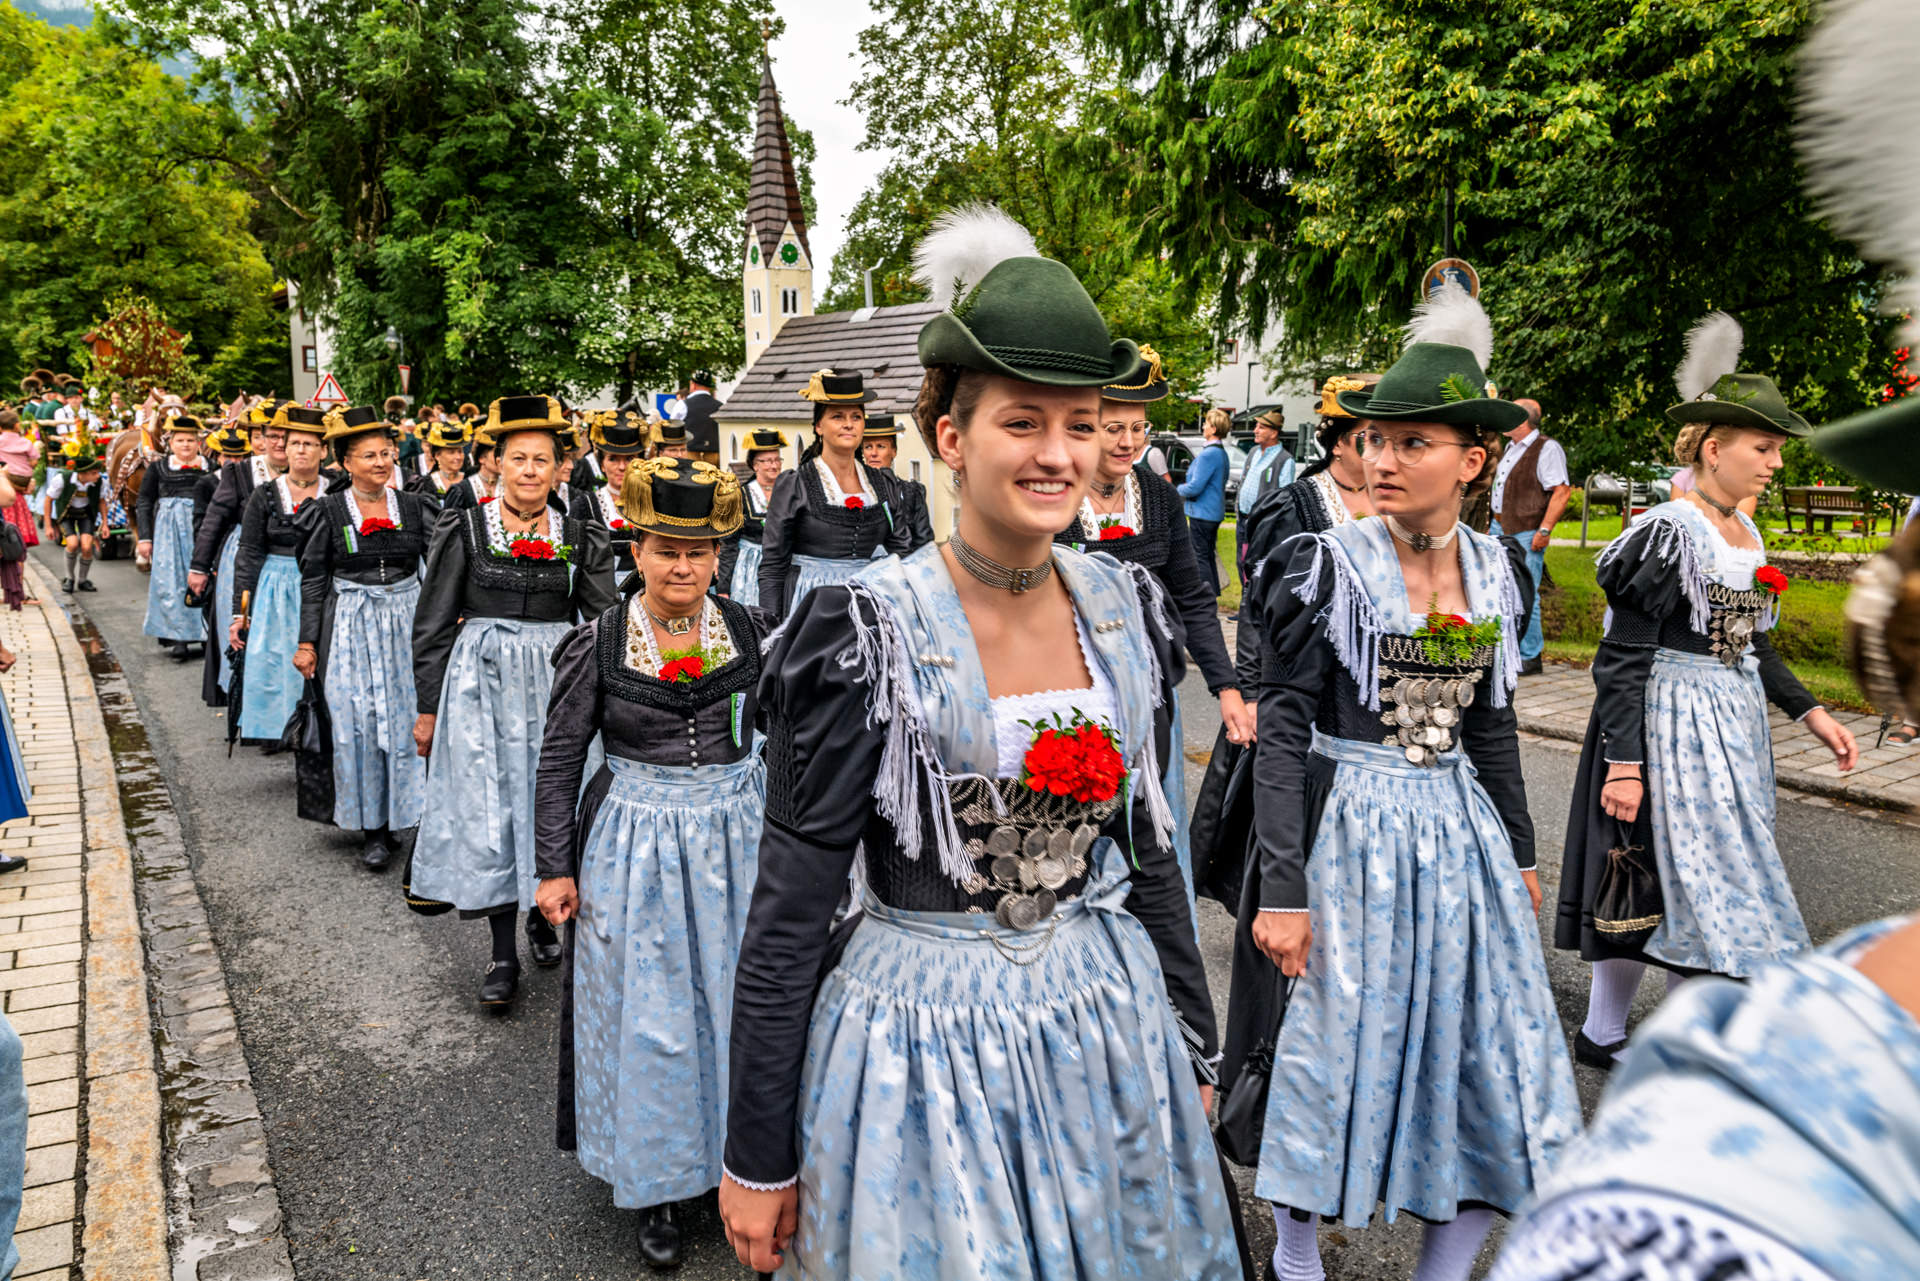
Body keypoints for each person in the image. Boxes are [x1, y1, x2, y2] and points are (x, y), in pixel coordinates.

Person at [720, 206, 1237, 1280]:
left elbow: (1149, 856)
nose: (1058, 453)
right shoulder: (864, 632)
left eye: (1082, 423)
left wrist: (1193, 1037)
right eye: (1023, 421)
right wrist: (756, 1157)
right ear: (950, 439)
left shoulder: (1125, 610)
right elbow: (789, 910)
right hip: (921, 1045)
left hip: (1103, 1024)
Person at [1240, 285, 1580, 1281]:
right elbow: (1283, 731)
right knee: (1335, 1047)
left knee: (1484, 1055)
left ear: (1473, 462)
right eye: (1376, 440)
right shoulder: (1322, 564)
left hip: (1458, 832)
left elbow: (1493, 724)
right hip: (1350, 828)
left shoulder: (1496, 568)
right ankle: (1297, 1256)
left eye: (1411, 443)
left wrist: (1521, 851)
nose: (1382, 459)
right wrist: (1284, 887)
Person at [1558, 312, 1859, 1070]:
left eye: (1779, 449)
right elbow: (1620, 657)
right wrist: (1625, 764)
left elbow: (1753, 641)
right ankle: (1616, 1032)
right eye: (1764, 447)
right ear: (1715, 449)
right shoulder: (1668, 533)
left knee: (1710, 879)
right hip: (1666, 721)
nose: (1775, 462)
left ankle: (1670, 1035)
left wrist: (1812, 713)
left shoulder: (1745, 535)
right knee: (1651, 875)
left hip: (1730, 722)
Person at [535, 459, 766, 1272]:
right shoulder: (600, 641)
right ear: (637, 551)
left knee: (738, 1000)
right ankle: (660, 1183)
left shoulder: (750, 629)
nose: (683, 567)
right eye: (667, 549)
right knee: (653, 1013)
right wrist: (554, 866)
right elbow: (560, 757)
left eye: (698, 551)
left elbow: (790, 736)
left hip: (738, 839)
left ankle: (742, 1161)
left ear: (717, 557)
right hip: (635, 842)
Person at [408, 396, 617, 1012]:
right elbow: (433, 624)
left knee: (556, 799)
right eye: (518, 458)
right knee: (491, 810)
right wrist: (428, 708)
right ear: (497, 463)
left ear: (559, 469)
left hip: (558, 684)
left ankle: (541, 917)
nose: (529, 470)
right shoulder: (464, 528)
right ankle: (502, 954)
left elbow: (603, 618)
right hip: (482, 686)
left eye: (541, 460)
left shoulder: (579, 534)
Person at [1054, 344, 1254, 904]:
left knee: (1148, 830)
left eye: (1138, 428)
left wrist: (1227, 688)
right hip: (1072, 688)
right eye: (1113, 428)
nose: (1128, 442)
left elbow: (1192, 597)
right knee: (1075, 825)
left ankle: (1152, 934)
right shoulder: (1055, 494)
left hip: (1149, 691)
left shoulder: (1160, 498)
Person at [295, 406, 435, 870]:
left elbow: (438, 569)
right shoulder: (328, 512)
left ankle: (407, 816)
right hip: (351, 624)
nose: (380, 462)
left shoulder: (414, 506)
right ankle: (373, 828)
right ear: (345, 463)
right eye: (369, 455)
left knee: (406, 721)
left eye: (386, 453)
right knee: (360, 721)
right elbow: (314, 580)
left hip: (406, 620)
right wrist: (308, 642)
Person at [755, 370, 920, 619]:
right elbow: (773, 565)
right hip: (810, 607)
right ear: (818, 426)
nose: (848, 424)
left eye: (856, 416)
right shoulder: (795, 485)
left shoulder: (882, 484)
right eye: (837, 416)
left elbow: (902, 551)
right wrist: (769, 626)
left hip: (869, 606)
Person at [231, 414, 326, 746]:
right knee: (276, 659)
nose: (301, 450)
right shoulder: (266, 494)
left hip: (323, 584)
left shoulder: (336, 491)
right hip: (276, 587)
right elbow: (249, 553)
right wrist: (241, 613)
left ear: (324, 450)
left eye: (309, 444)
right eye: (294, 443)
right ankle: (281, 729)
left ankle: (319, 729)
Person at [192, 403, 294, 708]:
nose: (279, 443)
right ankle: (249, 701)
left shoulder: (312, 473)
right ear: (259, 439)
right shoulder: (240, 473)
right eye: (271, 436)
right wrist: (199, 566)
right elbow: (214, 519)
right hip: (244, 556)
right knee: (247, 628)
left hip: (292, 562)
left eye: (286, 437)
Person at [1490, 396, 1571, 676]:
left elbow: (1561, 491)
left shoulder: (1546, 448)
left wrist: (1544, 529)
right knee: (1502, 590)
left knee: (1527, 593)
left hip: (1526, 530)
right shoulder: (1510, 448)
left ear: (1521, 420)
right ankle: (1509, 650)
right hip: (1500, 527)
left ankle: (1530, 655)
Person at [137, 414, 211, 659]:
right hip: (169, 533)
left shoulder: (210, 467)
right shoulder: (159, 468)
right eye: (180, 440)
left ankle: (206, 633)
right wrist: (145, 537)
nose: (186, 445)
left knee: (205, 579)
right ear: (170, 443)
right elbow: (145, 501)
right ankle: (179, 636)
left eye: (190, 440)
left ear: (198, 442)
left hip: (202, 528)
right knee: (172, 582)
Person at [566, 408, 646, 563]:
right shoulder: (585, 506)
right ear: (602, 464)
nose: (622, 467)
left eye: (629, 459)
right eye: (613, 459)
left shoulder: (655, 503)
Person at [716, 429, 786, 606]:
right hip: (749, 571)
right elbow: (729, 543)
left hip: (782, 567)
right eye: (768, 461)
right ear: (755, 465)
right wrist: (723, 587)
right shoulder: (741, 496)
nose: (774, 465)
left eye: (777, 459)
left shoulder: (790, 493)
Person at [1233, 407, 1295, 586]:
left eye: (1261, 427)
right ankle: (1245, 599)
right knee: (1241, 561)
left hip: (1262, 524)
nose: (1255, 431)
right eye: (1256, 427)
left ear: (1274, 433)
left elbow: (1284, 499)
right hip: (1243, 519)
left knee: (1257, 564)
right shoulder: (1253, 452)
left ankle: (1254, 600)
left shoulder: (1285, 460)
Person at [855, 412, 935, 547]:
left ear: (894, 451)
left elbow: (924, 543)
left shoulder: (912, 493)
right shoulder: (853, 491)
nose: (873, 453)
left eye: (881, 446)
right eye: (868, 447)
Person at [1178, 406, 1232, 597]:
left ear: (1214, 429)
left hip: (1203, 512)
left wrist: (1176, 490)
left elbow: (1195, 487)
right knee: (1207, 555)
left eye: (1206, 424)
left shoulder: (1209, 454)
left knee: (1200, 557)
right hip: (1212, 512)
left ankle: (1204, 596)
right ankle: (1212, 593)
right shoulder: (1220, 452)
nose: (1203, 426)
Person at [45, 432, 104, 596]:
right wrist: (49, 525)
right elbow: (48, 500)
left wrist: (105, 523)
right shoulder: (62, 479)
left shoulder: (99, 482)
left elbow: (102, 502)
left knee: (86, 546)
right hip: (67, 514)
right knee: (72, 544)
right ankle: (69, 578)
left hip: (85, 514)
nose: (98, 476)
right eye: (94, 473)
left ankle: (83, 580)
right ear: (82, 473)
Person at [0, 413, 39, 612]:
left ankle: (6, 591)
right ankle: (17, 591)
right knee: (15, 546)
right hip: (17, 497)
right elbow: (35, 459)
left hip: (2, 494)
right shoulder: (25, 442)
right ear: (17, 425)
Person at [406, 420, 470, 499]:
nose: (458, 457)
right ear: (437, 455)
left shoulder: (470, 480)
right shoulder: (425, 485)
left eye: (460, 451)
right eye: (451, 452)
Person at [440, 434, 500, 510]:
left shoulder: (509, 486)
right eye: (496, 454)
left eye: (503, 454)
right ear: (482, 458)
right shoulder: (462, 490)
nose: (500, 459)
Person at [680, 371, 721, 466]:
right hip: (714, 453)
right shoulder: (720, 406)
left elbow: (674, 426)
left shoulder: (683, 404)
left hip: (690, 453)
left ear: (693, 385)